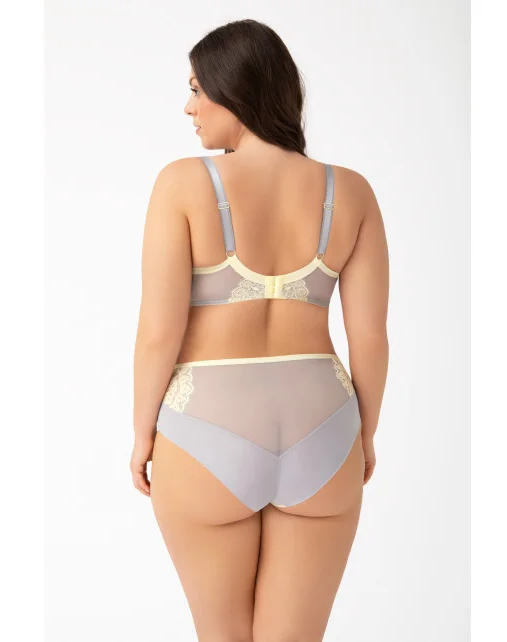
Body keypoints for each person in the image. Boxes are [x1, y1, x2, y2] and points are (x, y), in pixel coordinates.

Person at [131, 18, 389, 642]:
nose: (189, 108)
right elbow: (371, 338)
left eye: (198, 90)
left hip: (204, 427)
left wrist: (142, 434)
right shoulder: (351, 192)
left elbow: (159, 332)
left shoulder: (183, 183)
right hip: (325, 426)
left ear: (235, 90)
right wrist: (365, 435)